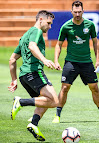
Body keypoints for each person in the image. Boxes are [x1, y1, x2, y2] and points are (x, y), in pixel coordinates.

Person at [52, 0, 99, 123]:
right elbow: (58, 45)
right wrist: (56, 61)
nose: (78, 14)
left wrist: (97, 60)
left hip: (86, 62)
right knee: (64, 88)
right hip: (71, 62)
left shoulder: (90, 25)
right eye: (75, 12)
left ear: (83, 11)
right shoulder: (66, 27)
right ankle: (57, 116)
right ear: (71, 12)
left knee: (95, 87)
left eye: (80, 12)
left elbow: (95, 43)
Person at [8, 10, 59, 142]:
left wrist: (14, 80)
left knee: (44, 100)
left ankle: (33, 124)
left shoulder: (25, 35)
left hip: (24, 77)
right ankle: (20, 102)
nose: (50, 26)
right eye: (48, 23)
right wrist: (44, 60)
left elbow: (12, 60)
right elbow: (32, 46)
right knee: (55, 101)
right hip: (34, 72)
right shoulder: (36, 31)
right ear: (40, 19)